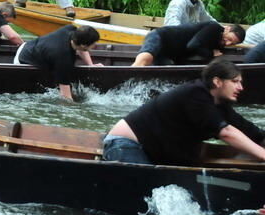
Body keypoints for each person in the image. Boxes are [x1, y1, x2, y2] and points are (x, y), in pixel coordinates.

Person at [103, 59, 265, 166]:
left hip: (155, 151)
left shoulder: (221, 107)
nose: (240, 88)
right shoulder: (195, 94)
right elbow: (226, 133)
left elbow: (254, 133)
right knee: (147, 189)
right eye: (235, 82)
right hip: (126, 144)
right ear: (217, 81)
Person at [14, 25, 101, 101]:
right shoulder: (64, 59)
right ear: (83, 45)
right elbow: (65, 96)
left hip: (30, 45)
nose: (95, 45)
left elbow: (81, 48)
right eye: (93, 44)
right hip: (24, 59)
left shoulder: (71, 29)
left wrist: (91, 65)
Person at [132, 22, 245, 67]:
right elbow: (193, 45)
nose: (228, 43)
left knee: (169, 71)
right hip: (161, 37)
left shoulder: (219, 44)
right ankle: (128, 76)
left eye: (232, 43)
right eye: (229, 38)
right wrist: (211, 53)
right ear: (227, 29)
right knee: (146, 58)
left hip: (168, 54)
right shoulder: (214, 28)